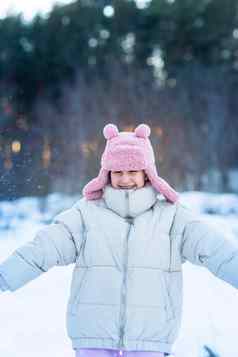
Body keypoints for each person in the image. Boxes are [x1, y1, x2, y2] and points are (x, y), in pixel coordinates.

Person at [1, 123, 238, 357]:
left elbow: (216, 250)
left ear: (148, 172)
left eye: (133, 171)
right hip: (93, 332)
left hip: (150, 336)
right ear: (107, 173)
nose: (125, 179)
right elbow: (43, 248)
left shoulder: (172, 216)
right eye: (118, 172)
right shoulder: (86, 214)